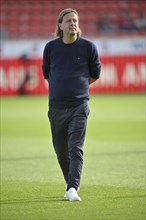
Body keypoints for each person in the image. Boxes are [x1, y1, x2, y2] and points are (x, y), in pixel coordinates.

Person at [42, 8, 101, 201]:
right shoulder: (50, 48)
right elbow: (47, 74)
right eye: (68, 21)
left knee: (75, 147)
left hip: (79, 106)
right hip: (56, 107)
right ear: (60, 25)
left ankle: (73, 187)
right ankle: (69, 187)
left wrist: (78, 87)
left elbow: (95, 74)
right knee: (61, 151)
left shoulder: (88, 47)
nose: (73, 23)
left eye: (75, 20)